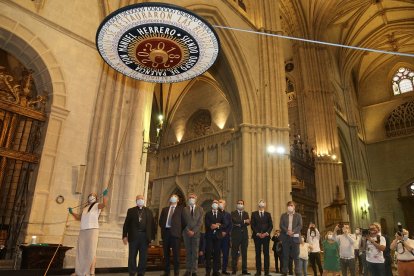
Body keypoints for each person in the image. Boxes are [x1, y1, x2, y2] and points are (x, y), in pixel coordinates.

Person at [69, 188, 108, 276]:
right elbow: (79, 217)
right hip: (83, 230)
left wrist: (105, 196)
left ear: (96, 198)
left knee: (91, 251)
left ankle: (89, 272)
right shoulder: (85, 208)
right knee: (81, 251)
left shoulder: (97, 205)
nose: (91, 196)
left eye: (93, 195)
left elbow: (104, 205)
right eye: (90, 195)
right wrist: (71, 212)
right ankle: (79, 271)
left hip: (92, 230)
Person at [122, 195, 155, 276]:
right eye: (138, 199)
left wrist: (152, 237)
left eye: (142, 199)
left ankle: (141, 273)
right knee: (132, 255)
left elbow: (152, 225)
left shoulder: (149, 211)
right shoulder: (131, 211)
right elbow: (126, 224)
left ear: (144, 200)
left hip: (145, 236)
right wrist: (124, 236)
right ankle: (132, 272)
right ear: (136, 201)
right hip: (133, 236)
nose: (140, 200)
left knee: (143, 257)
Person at [159, 194, 184, 276]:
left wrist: (179, 230)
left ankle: (176, 273)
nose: (173, 198)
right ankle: (167, 272)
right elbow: (160, 221)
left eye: (175, 197)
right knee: (166, 255)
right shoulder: (164, 209)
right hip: (166, 233)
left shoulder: (181, 209)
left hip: (176, 235)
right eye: (172, 197)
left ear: (178, 200)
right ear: (170, 199)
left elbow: (184, 222)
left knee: (176, 255)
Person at [182, 193, 204, 276]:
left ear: (196, 199)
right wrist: (188, 230)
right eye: (190, 197)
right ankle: (188, 270)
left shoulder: (200, 209)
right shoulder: (184, 209)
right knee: (188, 252)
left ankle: (194, 271)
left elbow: (200, 222)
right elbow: (183, 221)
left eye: (193, 197)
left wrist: (194, 231)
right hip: (186, 233)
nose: (191, 198)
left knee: (195, 253)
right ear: (188, 199)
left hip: (196, 234)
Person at [279, 201, 303, 276]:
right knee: (285, 255)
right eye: (289, 205)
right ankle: (285, 271)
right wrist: (287, 231)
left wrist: (293, 231)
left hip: (295, 237)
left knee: (296, 255)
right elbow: (281, 225)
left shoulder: (298, 215)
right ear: (287, 207)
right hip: (285, 237)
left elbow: (300, 225)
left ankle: (298, 271)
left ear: (294, 207)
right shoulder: (283, 215)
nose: (290, 206)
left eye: (291, 205)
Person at [251, 199, 273, 276]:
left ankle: (267, 272)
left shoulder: (268, 214)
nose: (262, 203)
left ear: (265, 205)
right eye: (260, 202)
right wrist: (257, 233)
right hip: (257, 236)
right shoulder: (254, 214)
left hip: (266, 237)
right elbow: (252, 225)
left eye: (263, 202)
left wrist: (266, 233)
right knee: (258, 254)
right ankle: (258, 271)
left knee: (266, 254)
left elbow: (271, 225)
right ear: (258, 205)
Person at [205, 199, 226, 276]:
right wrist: (212, 226)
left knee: (217, 254)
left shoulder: (221, 214)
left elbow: (224, 224)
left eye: (216, 203)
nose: (215, 204)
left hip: (218, 237)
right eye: (214, 203)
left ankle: (215, 271)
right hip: (209, 236)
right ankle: (208, 271)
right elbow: (207, 224)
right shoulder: (208, 214)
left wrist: (217, 226)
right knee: (208, 254)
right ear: (211, 205)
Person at [230, 199, 251, 275]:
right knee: (234, 253)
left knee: (244, 253)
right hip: (235, 235)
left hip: (244, 235)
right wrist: (244, 221)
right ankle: (234, 269)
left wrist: (240, 223)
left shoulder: (246, 213)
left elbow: (248, 222)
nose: (240, 204)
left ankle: (244, 269)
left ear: (243, 205)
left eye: (241, 203)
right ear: (236, 204)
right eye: (238, 203)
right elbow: (234, 221)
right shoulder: (233, 213)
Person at [218, 199, 232, 275]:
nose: (220, 204)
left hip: (226, 237)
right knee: (217, 253)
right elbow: (216, 224)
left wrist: (225, 232)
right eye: (219, 202)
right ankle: (216, 269)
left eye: (221, 202)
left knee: (226, 254)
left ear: (225, 204)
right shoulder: (216, 213)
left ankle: (224, 269)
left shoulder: (228, 214)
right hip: (217, 235)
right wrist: (221, 231)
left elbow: (230, 225)